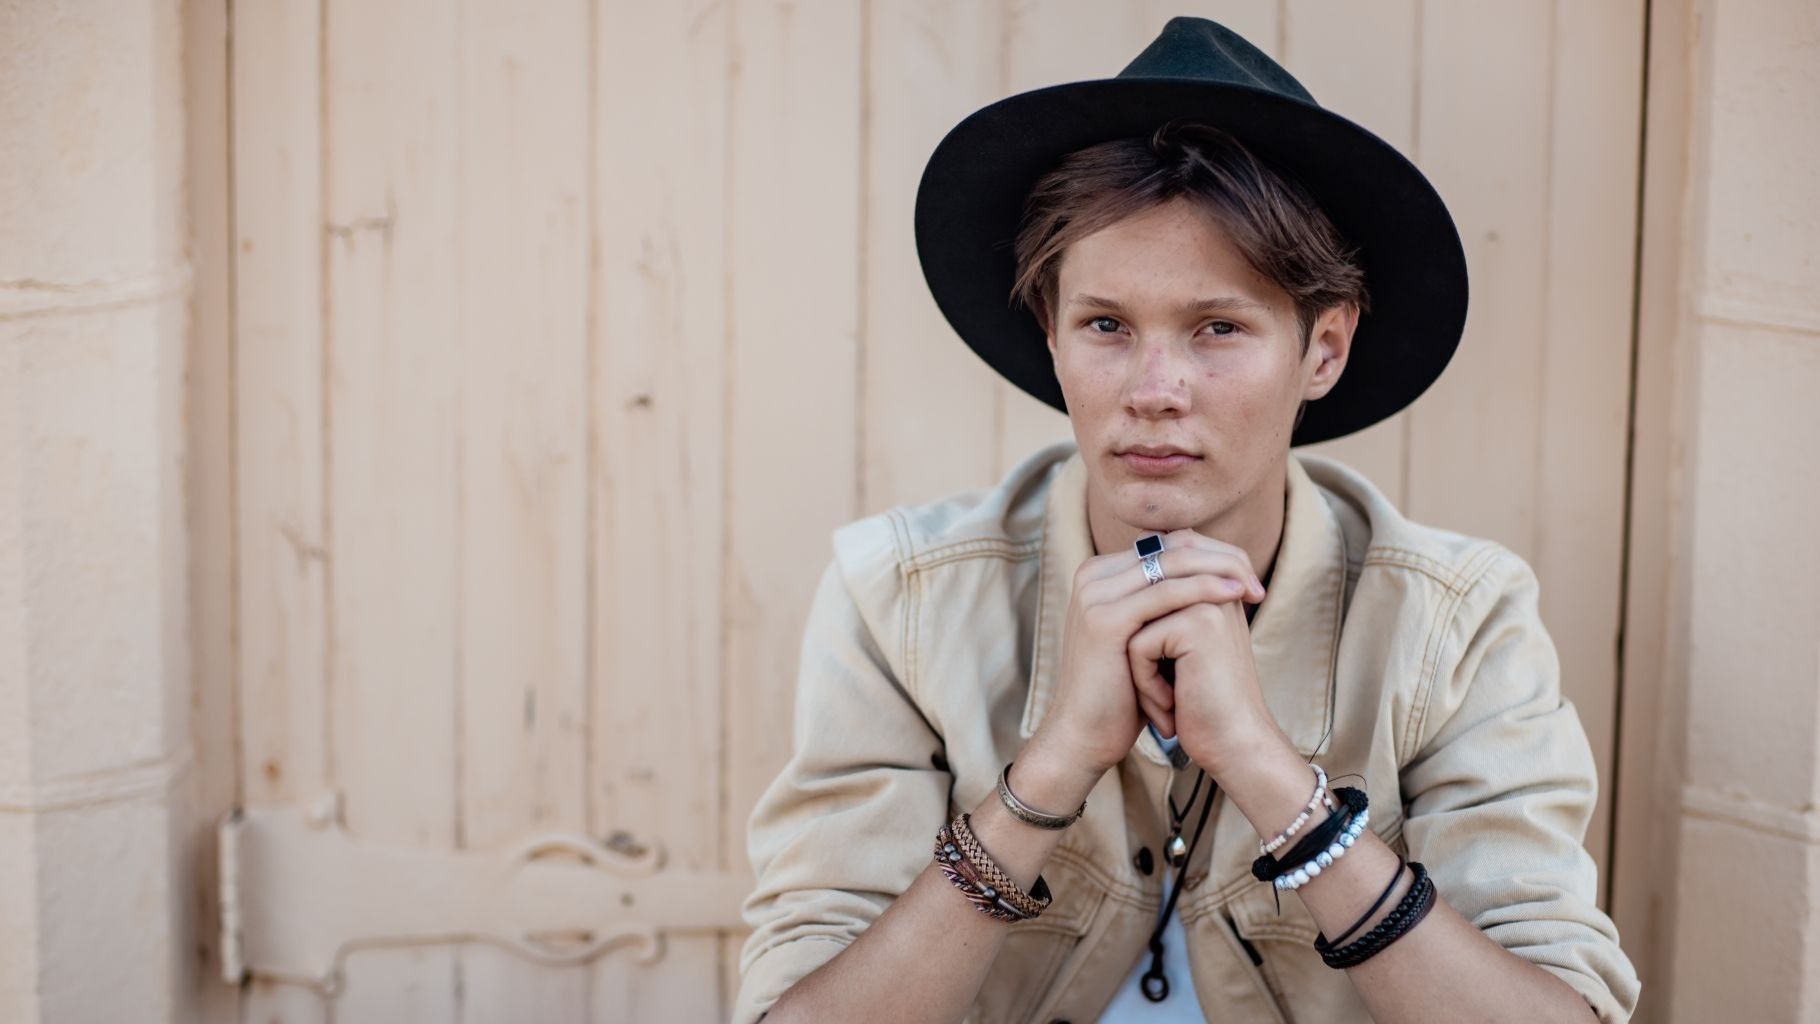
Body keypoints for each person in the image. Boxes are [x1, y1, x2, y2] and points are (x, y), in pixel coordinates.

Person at [734, 16, 1640, 1024]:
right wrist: (1052, 767)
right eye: (1105, 326)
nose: (1153, 388)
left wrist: (1271, 778)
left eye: (1216, 328)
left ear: (1323, 351)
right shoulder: (900, 599)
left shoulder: (1455, 623)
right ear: (1051, 335)